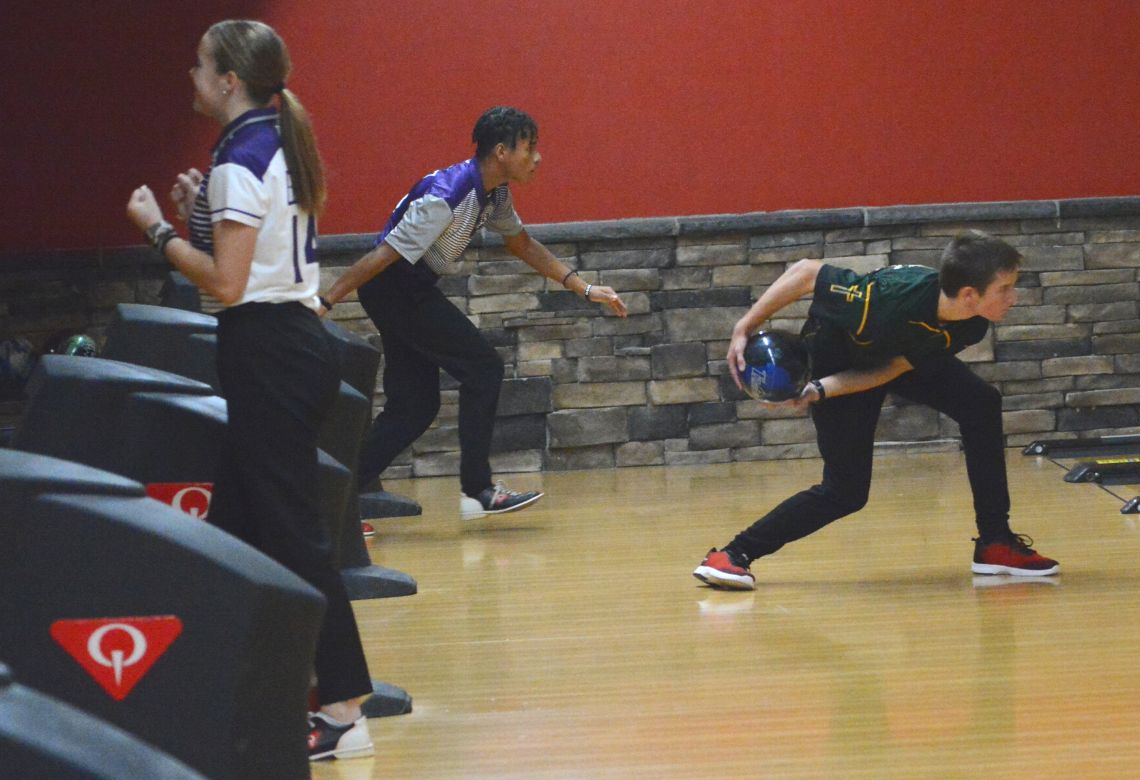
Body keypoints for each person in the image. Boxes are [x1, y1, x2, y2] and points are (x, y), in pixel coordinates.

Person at [125, 19, 373, 761]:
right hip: (284, 348)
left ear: (229, 80)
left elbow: (226, 282)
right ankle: (239, 681)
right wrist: (200, 209)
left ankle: (343, 708)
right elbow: (246, 254)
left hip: (271, 352)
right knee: (234, 529)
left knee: (293, 535)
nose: (190, 76)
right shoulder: (267, 139)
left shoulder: (245, 152)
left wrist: (153, 231)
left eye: (199, 65)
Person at [694, 230, 1060, 590]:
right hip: (836, 357)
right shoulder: (882, 299)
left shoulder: (972, 323)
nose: (1014, 297)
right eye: (1005, 289)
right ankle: (731, 555)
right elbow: (806, 272)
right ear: (969, 294)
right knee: (845, 492)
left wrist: (821, 393)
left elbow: (895, 369)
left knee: (980, 403)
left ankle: (996, 542)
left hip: (891, 356)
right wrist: (748, 329)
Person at [318, 107, 628, 516]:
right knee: (483, 368)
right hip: (394, 287)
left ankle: (339, 490)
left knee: (414, 405)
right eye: (529, 148)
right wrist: (325, 300)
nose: (538, 158)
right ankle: (478, 490)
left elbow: (523, 244)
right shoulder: (448, 196)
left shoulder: (494, 192)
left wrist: (584, 287)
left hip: (404, 288)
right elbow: (382, 255)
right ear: (501, 151)